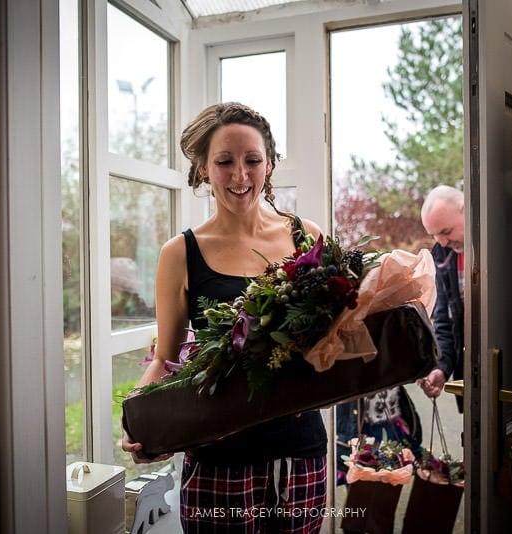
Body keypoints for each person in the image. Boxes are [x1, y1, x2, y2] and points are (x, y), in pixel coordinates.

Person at [121, 102, 328, 532]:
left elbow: (335, 339)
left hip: (301, 454)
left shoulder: (305, 236)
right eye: (224, 161)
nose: (240, 175)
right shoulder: (180, 254)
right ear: (202, 168)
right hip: (219, 459)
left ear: (269, 165)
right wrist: (140, 419)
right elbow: (166, 358)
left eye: (252, 160)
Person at [417, 185, 465, 412]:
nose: (443, 242)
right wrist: (442, 367)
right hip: (469, 381)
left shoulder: (497, 246)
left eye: (446, 231)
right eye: (435, 235)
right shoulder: (444, 254)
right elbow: (445, 322)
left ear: (466, 210)